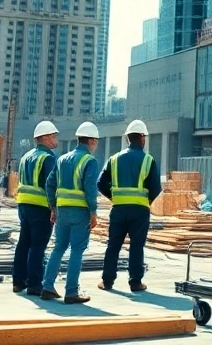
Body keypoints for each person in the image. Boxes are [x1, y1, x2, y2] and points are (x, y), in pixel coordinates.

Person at [98, 119, 161, 293]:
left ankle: (107, 281)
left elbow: (100, 183)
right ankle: (135, 282)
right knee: (136, 245)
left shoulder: (114, 159)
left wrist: (114, 196)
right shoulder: (148, 160)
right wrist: (145, 201)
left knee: (113, 245)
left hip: (118, 209)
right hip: (139, 210)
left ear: (127, 138)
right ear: (142, 138)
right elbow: (156, 187)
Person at [42, 121, 101, 303]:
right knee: (77, 250)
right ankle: (71, 291)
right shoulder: (89, 161)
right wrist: (93, 212)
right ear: (91, 141)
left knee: (59, 247)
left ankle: (47, 286)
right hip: (80, 212)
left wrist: (53, 206)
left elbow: (49, 184)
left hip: (62, 212)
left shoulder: (61, 159)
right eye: (96, 142)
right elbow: (90, 189)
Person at [12, 121, 60, 296]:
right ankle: (34, 284)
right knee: (38, 246)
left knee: (24, 243)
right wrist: (54, 207)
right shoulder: (49, 158)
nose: (56, 139)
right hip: (41, 207)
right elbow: (51, 184)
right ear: (45, 138)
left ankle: (18, 281)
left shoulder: (26, 156)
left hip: (24, 205)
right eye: (53, 136)